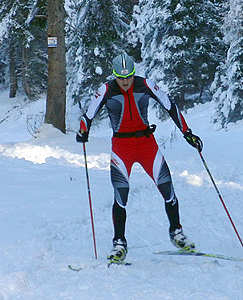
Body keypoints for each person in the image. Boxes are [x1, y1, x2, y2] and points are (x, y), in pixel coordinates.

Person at [76, 54, 203, 264]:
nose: (125, 82)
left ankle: (177, 233)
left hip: (146, 145)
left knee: (167, 188)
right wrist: (83, 131)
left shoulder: (146, 85)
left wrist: (187, 133)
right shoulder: (106, 90)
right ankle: (119, 243)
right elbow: (87, 115)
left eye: (129, 77)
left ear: (134, 73)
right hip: (121, 148)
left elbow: (170, 106)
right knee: (120, 195)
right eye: (120, 78)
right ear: (114, 75)